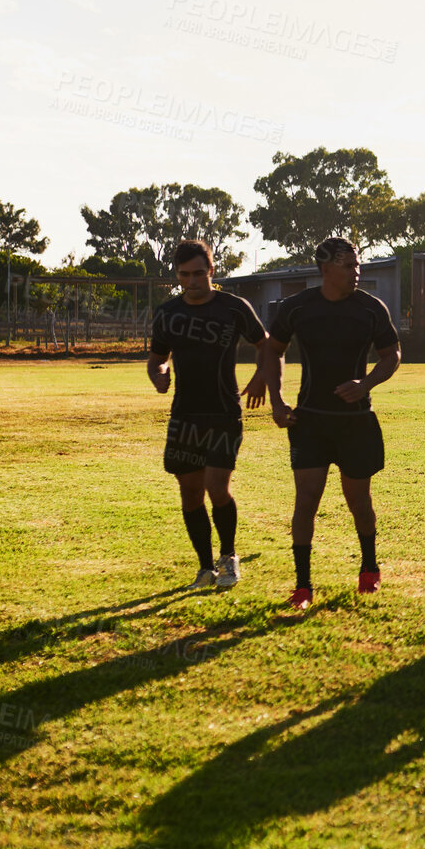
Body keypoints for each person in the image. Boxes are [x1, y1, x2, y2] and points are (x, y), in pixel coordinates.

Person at [263, 237, 401, 611]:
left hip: (355, 422)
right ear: (326, 269)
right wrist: (277, 401)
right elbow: (272, 350)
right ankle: (303, 585)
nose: (357, 272)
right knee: (306, 499)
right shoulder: (297, 308)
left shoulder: (371, 309)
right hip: (310, 421)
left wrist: (366, 384)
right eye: (349, 266)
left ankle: (369, 568)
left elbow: (392, 355)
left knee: (359, 499)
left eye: (358, 265)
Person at [146, 239, 268, 590]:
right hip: (185, 414)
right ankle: (204, 568)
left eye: (199, 273)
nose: (193, 281)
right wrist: (159, 375)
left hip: (223, 411)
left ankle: (229, 557)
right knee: (189, 493)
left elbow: (267, 345)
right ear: (177, 275)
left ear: (212, 271)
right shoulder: (168, 313)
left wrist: (261, 375)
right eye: (185, 275)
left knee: (218, 487)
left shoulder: (233, 307)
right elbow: (157, 358)